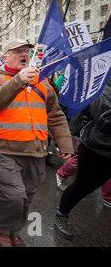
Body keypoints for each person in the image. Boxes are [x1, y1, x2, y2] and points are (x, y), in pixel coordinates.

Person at [0, 39, 74, 247]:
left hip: (35, 151)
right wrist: (18, 81)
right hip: (5, 150)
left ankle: (14, 231)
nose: (24, 54)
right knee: (14, 195)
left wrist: (66, 144)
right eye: (18, 51)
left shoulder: (42, 82)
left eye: (26, 51)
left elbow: (55, 115)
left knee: (26, 197)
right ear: (5, 57)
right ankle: (3, 231)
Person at [55, 77, 111, 240]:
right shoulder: (100, 87)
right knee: (82, 186)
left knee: (97, 183)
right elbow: (105, 120)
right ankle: (62, 213)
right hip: (94, 147)